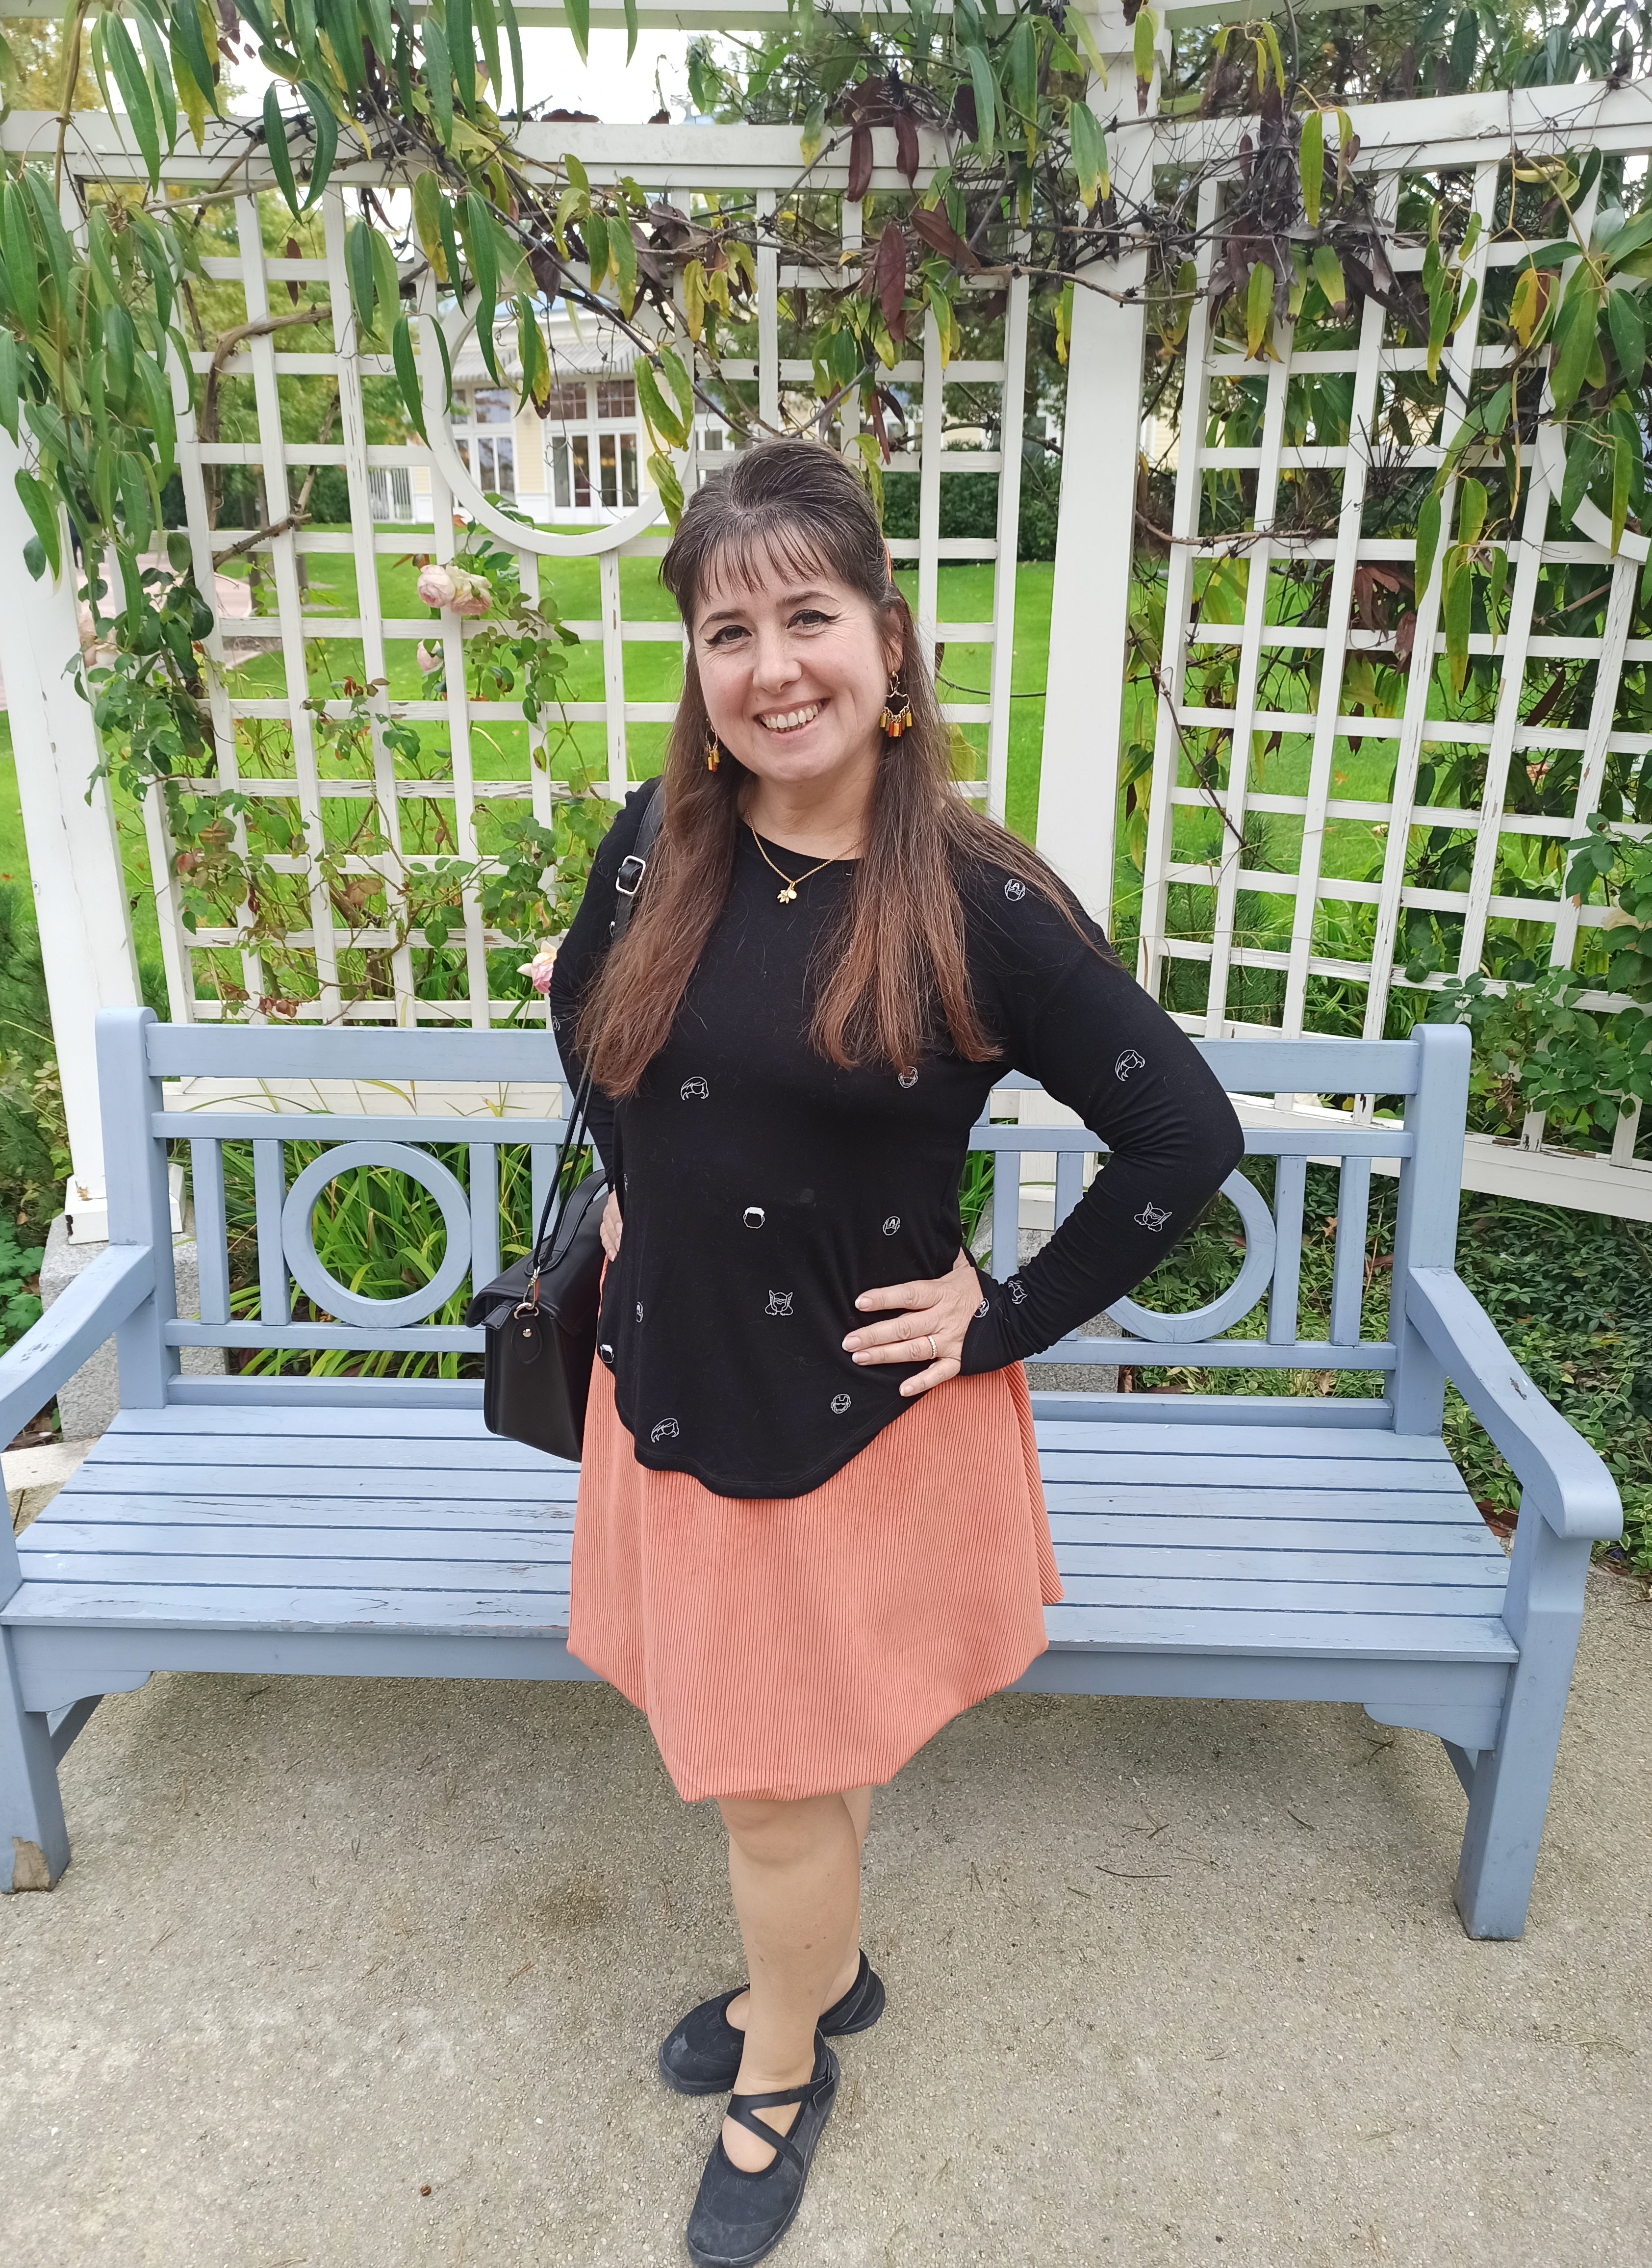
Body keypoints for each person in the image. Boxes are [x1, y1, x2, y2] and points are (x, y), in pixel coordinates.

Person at [550, 437, 1244, 2268]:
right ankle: (828, 1968)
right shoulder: (661, 846)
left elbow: (1184, 1136)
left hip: (850, 1424)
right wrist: (634, 1188)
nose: (772, 665)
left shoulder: (976, 903)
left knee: (775, 1781)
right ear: (698, 672)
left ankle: (784, 2061)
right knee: (791, 1765)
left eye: (808, 616)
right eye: (728, 629)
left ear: (888, 640)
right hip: (676, 1385)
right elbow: (579, 1010)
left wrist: (1000, 1311)